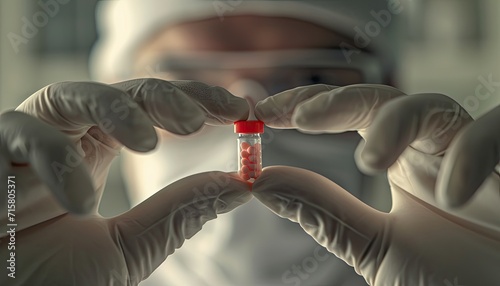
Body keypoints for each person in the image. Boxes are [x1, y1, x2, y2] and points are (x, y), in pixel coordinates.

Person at [0, 1, 499, 286]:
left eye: (313, 75)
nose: (249, 113)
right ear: (108, 102)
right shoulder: (35, 261)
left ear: (389, 91)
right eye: (178, 85)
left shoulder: (464, 258)